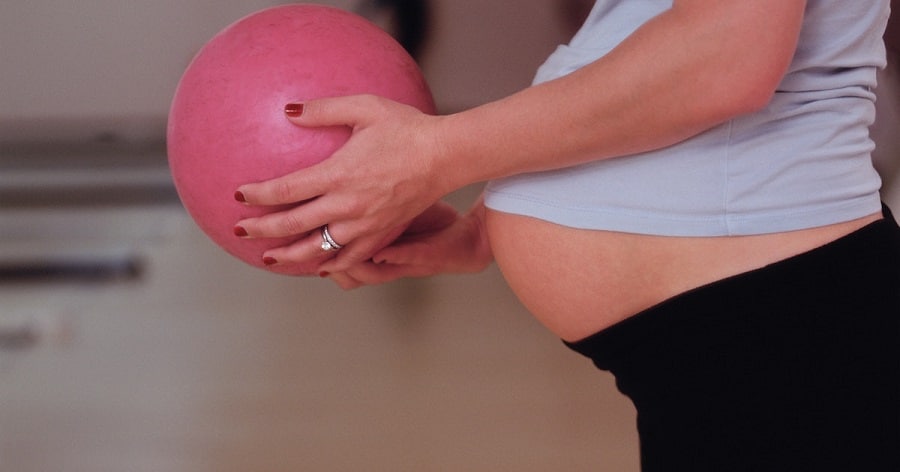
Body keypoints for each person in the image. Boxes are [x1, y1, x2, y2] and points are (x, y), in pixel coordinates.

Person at [233, 1, 899, 469]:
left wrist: (438, 155)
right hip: (746, 335)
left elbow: (729, 49)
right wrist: (496, 219)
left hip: (784, 334)